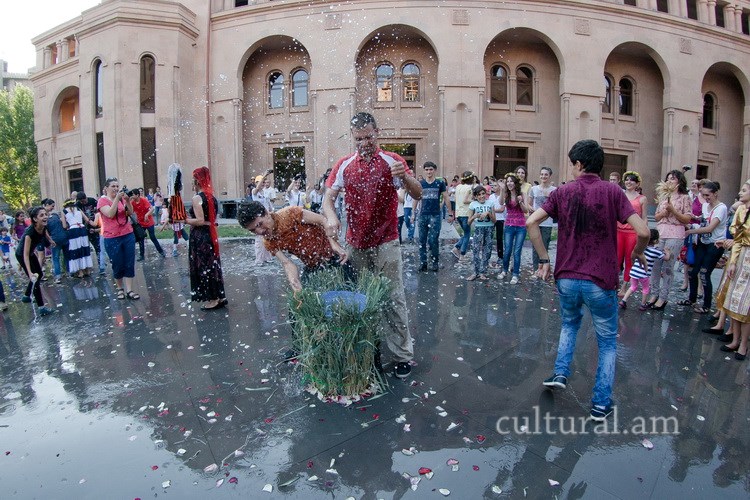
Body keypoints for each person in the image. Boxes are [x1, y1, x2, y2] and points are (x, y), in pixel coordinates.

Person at [527, 139, 649, 422]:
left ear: (580, 165)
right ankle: (600, 404)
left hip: (567, 277)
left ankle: (560, 372)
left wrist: (544, 260)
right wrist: (638, 253)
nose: (571, 170)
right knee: (606, 342)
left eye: (572, 164)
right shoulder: (613, 192)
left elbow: (532, 223)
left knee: (569, 324)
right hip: (600, 279)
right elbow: (642, 231)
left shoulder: (563, 192)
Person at [323, 111, 422, 379]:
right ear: (353, 137)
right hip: (355, 243)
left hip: (387, 240)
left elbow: (417, 193)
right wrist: (332, 216)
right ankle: (370, 351)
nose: (364, 143)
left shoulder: (393, 161)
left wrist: (406, 178)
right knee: (361, 300)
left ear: (377, 132)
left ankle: (402, 355)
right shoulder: (345, 165)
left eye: (368, 137)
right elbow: (327, 198)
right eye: (358, 139)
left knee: (392, 297)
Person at [238, 201, 349, 291]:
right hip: (312, 267)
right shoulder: (269, 241)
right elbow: (287, 263)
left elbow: (323, 220)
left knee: (347, 296)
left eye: (259, 224)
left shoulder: (290, 214)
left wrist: (333, 243)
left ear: (266, 213)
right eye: (253, 230)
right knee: (300, 304)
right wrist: (293, 280)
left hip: (336, 258)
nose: (260, 231)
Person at [647, 170, 693, 310]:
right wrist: (663, 213)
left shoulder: (685, 198)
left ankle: (663, 297)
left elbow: (687, 218)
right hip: (661, 232)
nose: (669, 181)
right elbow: (656, 217)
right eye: (667, 179)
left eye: (672, 179)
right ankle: (654, 293)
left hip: (675, 233)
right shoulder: (663, 197)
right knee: (655, 264)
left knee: (668, 266)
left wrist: (673, 210)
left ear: (679, 181)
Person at [715, 180, 750, 360]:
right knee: (734, 300)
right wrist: (733, 261)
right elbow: (737, 238)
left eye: (744, 190)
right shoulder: (741, 210)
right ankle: (735, 339)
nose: (740, 193)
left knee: (746, 306)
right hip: (740, 257)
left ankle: (744, 345)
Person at [681, 181, 727, 313]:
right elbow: (703, 219)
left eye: (708, 195)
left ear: (715, 193)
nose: (706, 198)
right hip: (703, 242)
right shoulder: (706, 205)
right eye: (703, 195)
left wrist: (691, 231)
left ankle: (706, 305)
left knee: (704, 273)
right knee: (692, 271)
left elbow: (710, 227)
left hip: (715, 244)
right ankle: (692, 299)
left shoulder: (721, 208)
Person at [186, 167, 227, 310]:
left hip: (200, 236)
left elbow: (199, 220)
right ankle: (218, 295)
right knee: (212, 264)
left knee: (203, 265)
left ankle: (213, 298)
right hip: (209, 234)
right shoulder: (211, 197)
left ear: (197, 181)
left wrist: (184, 220)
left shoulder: (197, 198)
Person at [97, 177, 140, 300]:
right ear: (106, 188)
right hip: (112, 237)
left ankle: (130, 290)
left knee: (129, 262)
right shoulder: (102, 201)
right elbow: (110, 214)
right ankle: (120, 289)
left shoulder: (121, 199)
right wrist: (116, 198)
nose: (116, 188)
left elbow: (130, 213)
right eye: (113, 186)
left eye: (117, 186)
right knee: (117, 263)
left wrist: (127, 201)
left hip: (127, 234)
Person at [16, 207, 56, 315]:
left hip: (31, 253)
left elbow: (44, 232)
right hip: (22, 254)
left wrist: (50, 240)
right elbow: (25, 254)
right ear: (35, 219)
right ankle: (41, 308)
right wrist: (29, 272)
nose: (45, 217)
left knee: (40, 274)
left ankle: (26, 296)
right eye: (41, 215)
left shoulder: (42, 226)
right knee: (35, 279)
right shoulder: (29, 233)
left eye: (45, 214)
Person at [415, 161, 452, 272]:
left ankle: (435, 262)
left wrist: (450, 213)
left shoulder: (440, 183)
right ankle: (423, 263)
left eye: (431, 169)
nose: (429, 171)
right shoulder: (420, 183)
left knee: (433, 240)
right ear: (424, 171)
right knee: (422, 240)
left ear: (435, 170)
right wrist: (412, 213)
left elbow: (446, 198)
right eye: (426, 169)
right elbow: (416, 198)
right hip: (422, 215)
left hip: (435, 215)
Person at [616, 171, 648, 296]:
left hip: (632, 232)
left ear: (637, 183)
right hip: (618, 230)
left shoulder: (642, 198)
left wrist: (643, 232)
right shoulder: (620, 194)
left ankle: (624, 286)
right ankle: (614, 283)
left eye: (632, 180)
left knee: (630, 259)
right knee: (616, 259)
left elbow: (644, 217)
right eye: (627, 180)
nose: (628, 182)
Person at [620, 229, 670, 311]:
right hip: (644, 274)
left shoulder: (641, 248)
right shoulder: (656, 251)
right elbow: (667, 258)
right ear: (655, 240)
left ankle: (623, 301)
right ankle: (643, 305)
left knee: (633, 287)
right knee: (645, 289)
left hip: (634, 272)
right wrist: (667, 252)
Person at [499, 173, 528, 284]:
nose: (509, 183)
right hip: (509, 226)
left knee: (517, 251)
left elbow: (525, 211)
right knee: (507, 251)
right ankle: (504, 270)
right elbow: (501, 202)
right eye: (508, 182)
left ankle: (515, 274)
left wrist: (520, 201)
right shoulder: (506, 194)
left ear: (515, 183)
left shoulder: (522, 194)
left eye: (511, 181)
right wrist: (502, 190)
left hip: (521, 226)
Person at [528, 167, 557, 270]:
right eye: (542, 174)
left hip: (547, 223)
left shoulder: (554, 190)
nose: (543, 176)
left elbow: (555, 207)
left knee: (544, 246)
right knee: (535, 247)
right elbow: (529, 204)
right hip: (535, 222)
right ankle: (536, 269)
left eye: (546, 174)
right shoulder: (533, 189)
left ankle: (543, 268)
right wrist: (531, 209)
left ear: (549, 176)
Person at [466, 185, 495, 281]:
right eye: (479, 195)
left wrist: (488, 213)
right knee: (476, 250)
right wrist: (474, 216)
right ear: (476, 196)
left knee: (487, 250)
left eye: (483, 194)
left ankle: (483, 272)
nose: (482, 196)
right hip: (478, 229)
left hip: (489, 228)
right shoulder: (473, 204)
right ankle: (475, 272)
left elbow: (495, 220)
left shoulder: (490, 203)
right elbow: (468, 222)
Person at [130, 188, 165, 260]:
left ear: (137, 195)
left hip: (149, 222)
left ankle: (161, 252)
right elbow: (130, 211)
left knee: (152, 237)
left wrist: (147, 214)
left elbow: (152, 209)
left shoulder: (143, 200)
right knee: (140, 238)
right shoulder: (132, 202)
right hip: (141, 223)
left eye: (133, 194)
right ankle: (142, 256)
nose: (132, 196)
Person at [62, 199, 93, 278]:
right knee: (84, 248)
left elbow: (64, 226)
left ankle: (80, 272)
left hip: (73, 230)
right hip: (82, 229)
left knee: (75, 250)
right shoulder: (78, 209)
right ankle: (87, 269)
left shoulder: (64, 211)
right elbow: (86, 219)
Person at [252, 171, 276, 265]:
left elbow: (268, 205)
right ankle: (259, 260)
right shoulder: (254, 192)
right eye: (260, 182)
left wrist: (271, 212)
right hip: (258, 218)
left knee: (268, 237)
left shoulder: (265, 193)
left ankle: (267, 257)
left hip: (266, 217)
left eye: (262, 182)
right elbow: (257, 188)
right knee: (259, 239)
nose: (262, 184)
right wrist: (265, 175)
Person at [166, 164, 190, 257]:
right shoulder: (175, 196)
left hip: (176, 217)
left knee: (181, 235)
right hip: (176, 217)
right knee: (181, 235)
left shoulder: (174, 196)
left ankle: (176, 250)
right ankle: (176, 250)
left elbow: (176, 184)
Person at [451, 171, 474, 260]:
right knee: (467, 234)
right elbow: (465, 201)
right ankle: (461, 253)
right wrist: (474, 201)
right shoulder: (470, 188)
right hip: (466, 213)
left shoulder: (458, 187)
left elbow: (456, 199)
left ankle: (457, 248)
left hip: (458, 213)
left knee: (465, 233)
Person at [489, 179, 506, 268]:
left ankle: (500, 256)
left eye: (495, 186)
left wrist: (492, 210)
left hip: (500, 219)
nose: (494, 187)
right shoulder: (491, 197)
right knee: (489, 237)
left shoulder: (503, 196)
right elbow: (489, 207)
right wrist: (492, 211)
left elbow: (501, 209)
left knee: (499, 238)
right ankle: (488, 255)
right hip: (492, 218)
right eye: (493, 186)